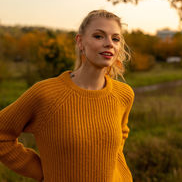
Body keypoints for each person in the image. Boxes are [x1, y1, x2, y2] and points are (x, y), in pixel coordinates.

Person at [0, 9, 135, 182]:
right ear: (80, 42)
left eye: (115, 38)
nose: (109, 43)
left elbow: (119, 144)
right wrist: (42, 172)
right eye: (98, 36)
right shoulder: (46, 94)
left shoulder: (123, 94)